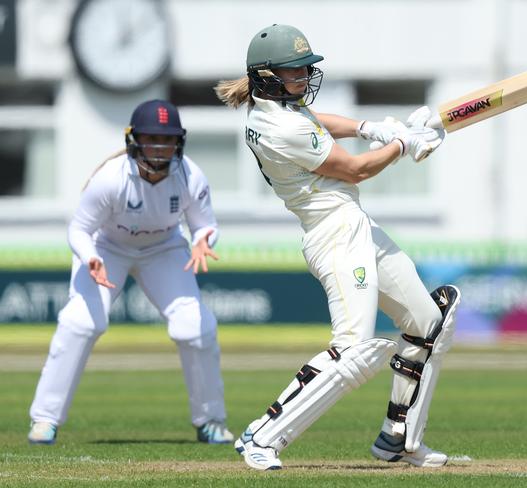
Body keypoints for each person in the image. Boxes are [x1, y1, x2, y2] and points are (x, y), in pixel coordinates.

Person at [216, 24, 461, 471]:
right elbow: (354, 171)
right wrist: (403, 145)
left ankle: (398, 438)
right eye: (295, 72)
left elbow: (319, 123)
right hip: (334, 234)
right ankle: (264, 436)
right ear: (266, 75)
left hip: (353, 225)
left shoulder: (276, 109)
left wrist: (372, 128)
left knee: (428, 321)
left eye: (305, 70)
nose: (304, 78)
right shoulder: (279, 125)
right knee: (354, 348)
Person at [27, 99, 234, 446]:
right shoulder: (110, 179)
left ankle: (210, 421)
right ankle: (45, 420)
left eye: (167, 140)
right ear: (134, 140)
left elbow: (205, 225)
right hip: (106, 248)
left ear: (178, 142)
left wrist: (202, 239)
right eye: (152, 138)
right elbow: (79, 229)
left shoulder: (190, 176)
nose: (160, 147)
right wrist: (90, 256)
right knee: (81, 322)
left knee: (197, 327)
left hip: (164, 248)